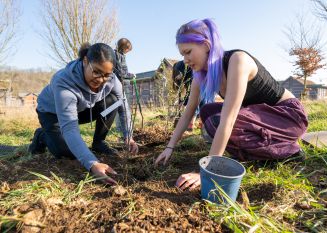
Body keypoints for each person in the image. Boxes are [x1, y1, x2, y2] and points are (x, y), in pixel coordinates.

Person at [155, 19, 308, 190]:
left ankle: (289, 151)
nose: (185, 60)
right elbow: (189, 110)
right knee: (208, 112)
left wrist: (206, 171)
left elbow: (229, 120)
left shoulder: (237, 60)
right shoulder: (200, 74)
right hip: (259, 118)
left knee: (220, 120)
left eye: (188, 52)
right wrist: (169, 147)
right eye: (182, 54)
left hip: (288, 117)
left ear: (206, 45)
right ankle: (260, 154)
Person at [28, 42, 138, 185]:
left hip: (82, 108)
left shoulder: (111, 79)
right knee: (65, 151)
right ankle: (42, 136)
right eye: (96, 72)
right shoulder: (64, 82)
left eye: (106, 75)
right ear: (85, 61)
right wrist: (92, 163)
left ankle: (99, 142)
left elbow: (122, 104)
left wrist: (128, 136)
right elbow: (70, 128)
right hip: (53, 113)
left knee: (113, 101)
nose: (100, 79)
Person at [172, 60, 203, 131]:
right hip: (198, 90)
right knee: (198, 103)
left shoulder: (193, 76)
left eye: (178, 76)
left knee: (201, 103)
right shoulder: (185, 76)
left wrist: (184, 102)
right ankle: (200, 125)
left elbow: (191, 94)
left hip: (203, 88)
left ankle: (194, 125)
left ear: (182, 71)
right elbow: (182, 91)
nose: (177, 78)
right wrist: (181, 101)